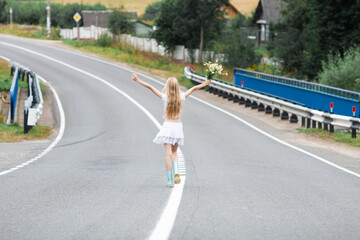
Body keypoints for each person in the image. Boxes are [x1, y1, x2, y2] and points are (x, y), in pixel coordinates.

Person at [132, 73, 211, 187]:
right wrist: (204, 83)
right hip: (178, 127)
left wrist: (138, 80)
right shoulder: (181, 97)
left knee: (167, 154)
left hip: (168, 126)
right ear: (177, 87)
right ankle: (177, 172)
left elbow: (150, 87)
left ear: (168, 86)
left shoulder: (165, 97)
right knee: (174, 152)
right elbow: (193, 88)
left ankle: (169, 180)